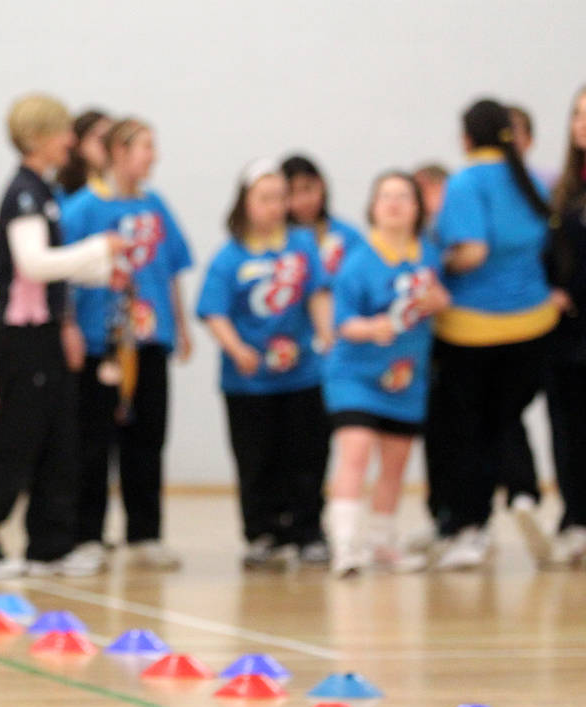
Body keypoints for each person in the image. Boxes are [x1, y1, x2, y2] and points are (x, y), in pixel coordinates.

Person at [0, 94, 119, 579]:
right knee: (16, 438)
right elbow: (33, 264)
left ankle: (50, 544)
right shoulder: (24, 193)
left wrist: (100, 268)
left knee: (59, 437)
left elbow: (49, 271)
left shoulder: (42, 192)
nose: (71, 140)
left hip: (45, 332)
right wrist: (96, 249)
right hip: (22, 338)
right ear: (42, 136)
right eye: (64, 131)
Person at [430, 98, 558, 570]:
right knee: (507, 419)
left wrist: (439, 261)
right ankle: (523, 494)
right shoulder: (531, 179)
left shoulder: (466, 182)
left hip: (473, 328)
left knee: (469, 430)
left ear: (466, 138)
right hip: (535, 323)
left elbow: (473, 252)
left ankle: (471, 527)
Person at [60, 116, 193, 571]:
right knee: (93, 441)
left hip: (149, 338)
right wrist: (69, 326)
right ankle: (88, 536)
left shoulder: (157, 205)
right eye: (143, 146)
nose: (152, 156)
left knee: (148, 436)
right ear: (117, 152)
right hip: (102, 341)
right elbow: (62, 276)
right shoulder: (82, 209)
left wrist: (181, 326)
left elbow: (172, 270)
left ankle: (144, 535)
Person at [197, 160, 334, 569]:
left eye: (280, 197)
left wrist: (326, 330)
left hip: (302, 372)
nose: (276, 206)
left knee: (308, 454)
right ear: (245, 203)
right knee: (257, 458)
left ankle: (308, 530)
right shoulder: (230, 256)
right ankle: (263, 533)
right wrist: (237, 347)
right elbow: (213, 310)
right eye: (266, 198)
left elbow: (318, 292)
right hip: (249, 381)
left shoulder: (303, 244)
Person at [323, 171, 449, 576]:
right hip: (356, 377)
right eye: (385, 196)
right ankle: (345, 543)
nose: (394, 203)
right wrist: (372, 328)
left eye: (403, 196)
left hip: (405, 378)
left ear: (417, 208)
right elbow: (343, 323)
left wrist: (437, 301)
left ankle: (381, 541)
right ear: (373, 207)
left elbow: (442, 299)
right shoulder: (358, 261)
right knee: (356, 452)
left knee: (395, 463)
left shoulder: (427, 255)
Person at [544, 85, 586, 567]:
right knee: (568, 430)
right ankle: (575, 518)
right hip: (565, 338)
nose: (581, 123)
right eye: (576, 114)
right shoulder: (560, 194)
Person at [282, 154, 366, 279]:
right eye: (292, 192)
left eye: (308, 188)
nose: (303, 200)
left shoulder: (348, 236)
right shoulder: (278, 243)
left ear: (322, 185)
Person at [56, 108, 111, 196]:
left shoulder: (125, 191)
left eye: (112, 139)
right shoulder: (61, 192)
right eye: (102, 139)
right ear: (78, 146)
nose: (109, 146)